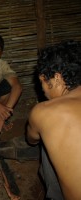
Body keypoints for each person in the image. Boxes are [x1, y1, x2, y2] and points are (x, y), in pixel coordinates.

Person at [26, 40, 81, 199]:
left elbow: (31, 140)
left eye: (42, 81)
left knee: (47, 138)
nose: (42, 90)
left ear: (56, 78)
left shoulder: (44, 111)